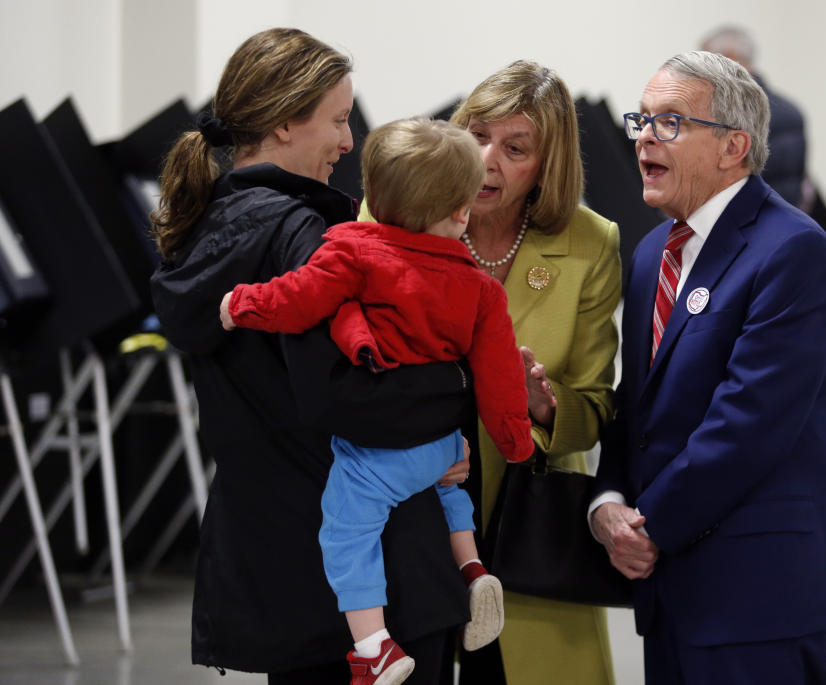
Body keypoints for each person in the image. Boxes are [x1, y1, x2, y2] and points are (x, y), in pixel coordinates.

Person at [149, 28, 477, 685]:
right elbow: (345, 392)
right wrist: (455, 406)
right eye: (337, 120)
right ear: (283, 124)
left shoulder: (204, 229)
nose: (349, 141)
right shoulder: (307, 236)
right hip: (378, 580)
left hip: (285, 569)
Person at [218, 117, 537, 682]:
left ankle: (373, 648)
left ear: (372, 195)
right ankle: (470, 566)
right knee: (447, 488)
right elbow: (500, 372)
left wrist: (243, 305)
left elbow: (297, 300)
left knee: (346, 529)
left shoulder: (353, 253)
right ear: (462, 212)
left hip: (381, 455)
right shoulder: (481, 287)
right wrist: (514, 440)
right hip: (442, 445)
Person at [592, 51, 826, 683]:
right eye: (642, 120)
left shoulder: (792, 250)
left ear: (734, 146)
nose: (644, 137)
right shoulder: (655, 250)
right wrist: (607, 500)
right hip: (670, 583)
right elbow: (642, 401)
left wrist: (649, 528)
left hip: (757, 591)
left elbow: (748, 423)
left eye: (671, 123)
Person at [428, 60, 623, 685]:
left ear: (547, 165)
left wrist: (545, 406)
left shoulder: (591, 243)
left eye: (515, 148)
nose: (487, 160)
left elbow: (593, 406)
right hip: (415, 492)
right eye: (478, 135)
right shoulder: (399, 209)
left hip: (527, 505)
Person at [700, 25, 808, 209]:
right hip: (782, 221)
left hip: (743, 222)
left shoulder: (733, 111)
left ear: (730, 57)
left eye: (705, 62)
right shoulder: (790, 109)